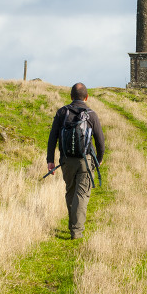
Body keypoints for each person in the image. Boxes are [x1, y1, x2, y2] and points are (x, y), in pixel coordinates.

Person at [47, 82, 105, 239]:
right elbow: (100, 141)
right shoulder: (91, 115)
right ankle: (76, 232)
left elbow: (52, 137)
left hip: (66, 161)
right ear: (87, 97)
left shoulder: (61, 112)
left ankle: (73, 225)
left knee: (71, 192)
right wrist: (99, 159)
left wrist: (50, 161)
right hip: (85, 161)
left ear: (71, 96)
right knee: (82, 195)